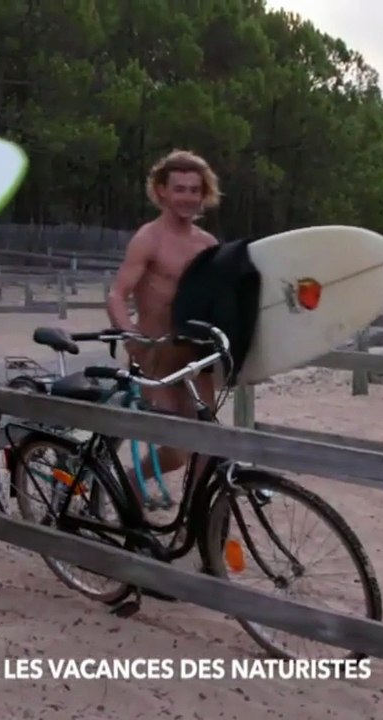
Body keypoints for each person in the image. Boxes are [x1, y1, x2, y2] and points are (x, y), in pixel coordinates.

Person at [105, 150, 223, 505]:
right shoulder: (149, 238)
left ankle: (198, 518)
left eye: (194, 190)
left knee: (207, 442)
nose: (187, 197)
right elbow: (116, 294)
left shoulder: (208, 245)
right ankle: (131, 477)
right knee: (176, 447)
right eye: (179, 189)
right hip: (156, 356)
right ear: (161, 191)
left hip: (196, 357)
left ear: (204, 194)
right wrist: (132, 338)